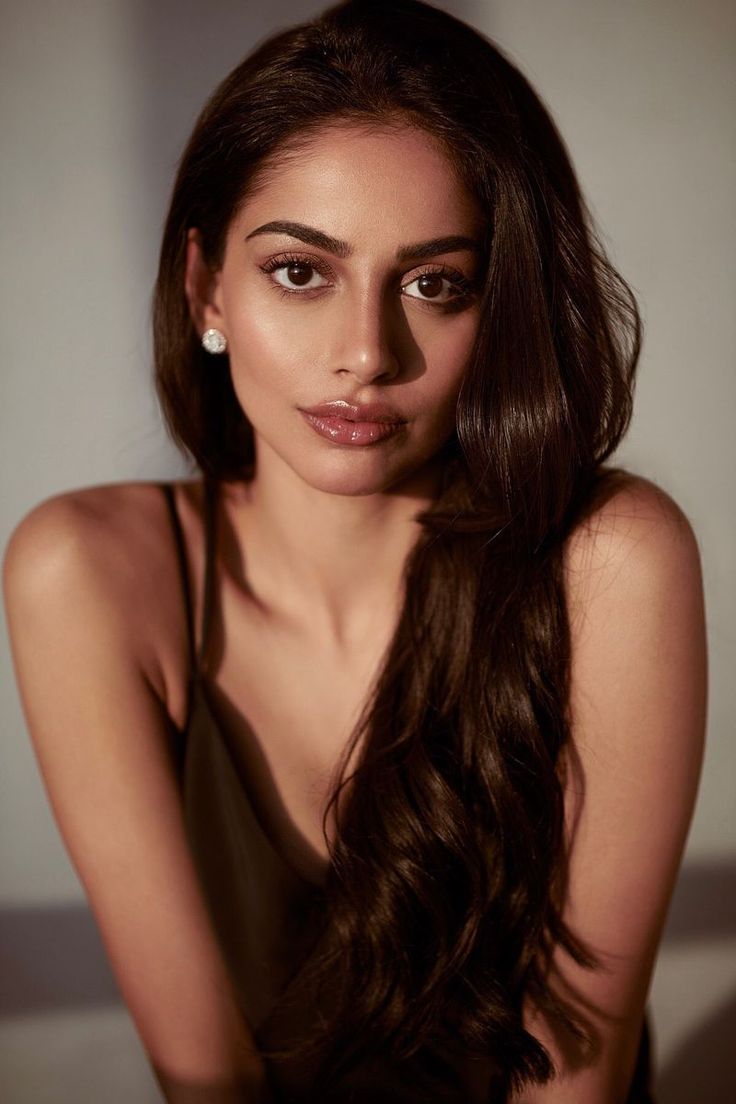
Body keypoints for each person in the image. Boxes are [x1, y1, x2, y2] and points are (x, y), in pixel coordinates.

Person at [2, 1, 707, 1101]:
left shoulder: (608, 560)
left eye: (436, 284)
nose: (365, 355)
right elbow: (205, 1080)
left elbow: (579, 1068)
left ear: (500, 304)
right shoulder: (86, 574)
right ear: (206, 290)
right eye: (300, 271)